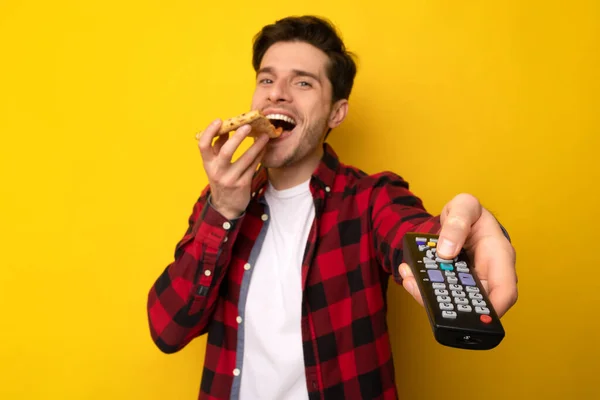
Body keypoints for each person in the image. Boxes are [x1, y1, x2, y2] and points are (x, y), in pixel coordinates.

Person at [146, 15, 517, 400]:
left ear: (336, 113)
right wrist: (222, 212)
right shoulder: (221, 205)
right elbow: (167, 330)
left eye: (303, 82)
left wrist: (465, 240)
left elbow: (416, 235)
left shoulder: (371, 198)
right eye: (267, 79)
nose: (277, 94)